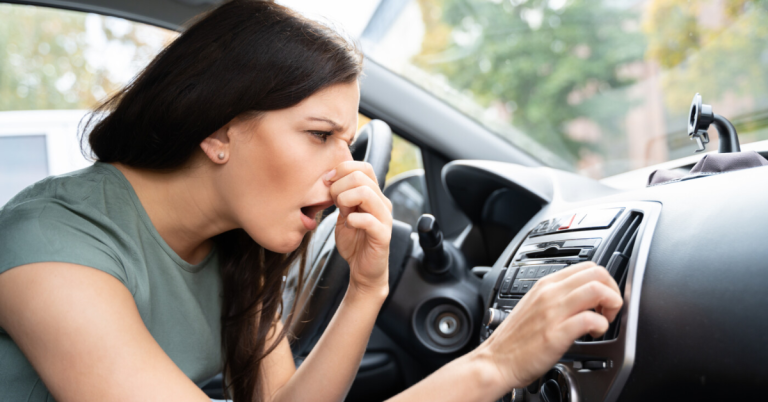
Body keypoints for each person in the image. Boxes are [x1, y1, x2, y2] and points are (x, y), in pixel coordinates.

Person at [0, 1, 623, 401]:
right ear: (218, 130)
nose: (343, 173)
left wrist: (366, 289)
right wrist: (495, 365)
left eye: (348, 144)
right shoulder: (51, 248)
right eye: (319, 136)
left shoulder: (235, 247)